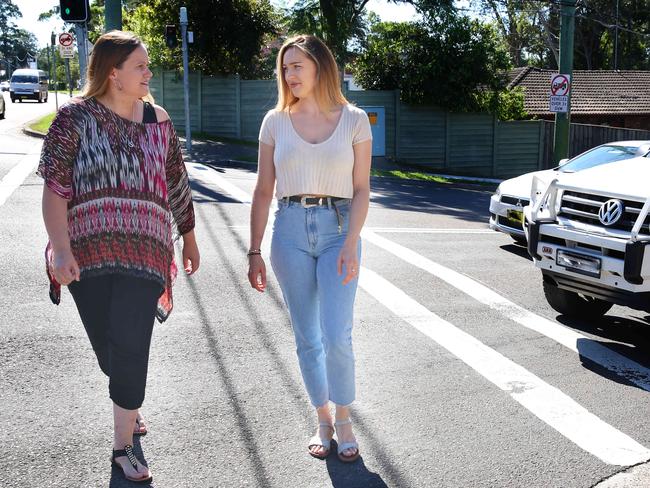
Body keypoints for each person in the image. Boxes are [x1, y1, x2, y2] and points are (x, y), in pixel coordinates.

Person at [39, 31, 199, 483]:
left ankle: (122, 446)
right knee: (110, 350)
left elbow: (175, 180)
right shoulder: (72, 119)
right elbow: (54, 192)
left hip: (146, 250)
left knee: (131, 343)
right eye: (141, 67)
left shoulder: (157, 119)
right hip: (85, 250)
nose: (150, 73)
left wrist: (188, 236)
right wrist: (62, 250)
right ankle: (129, 403)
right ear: (114, 74)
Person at [248, 34, 372, 463]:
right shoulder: (275, 121)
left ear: (320, 65)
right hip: (290, 231)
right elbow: (263, 189)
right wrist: (253, 250)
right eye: (285, 67)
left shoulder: (355, 119)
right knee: (307, 337)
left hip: (340, 229)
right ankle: (321, 417)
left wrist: (352, 243)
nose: (289, 74)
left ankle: (344, 418)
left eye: (297, 65)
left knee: (337, 333)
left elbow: (361, 189)